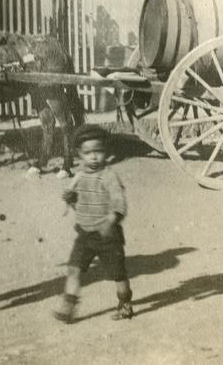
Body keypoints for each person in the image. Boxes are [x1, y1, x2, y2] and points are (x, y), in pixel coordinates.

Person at [54, 124, 133, 323]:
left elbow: (119, 202)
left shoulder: (109, 176)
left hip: (108, 235)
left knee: (118, 275)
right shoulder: (79, 176)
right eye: (88, 153)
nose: (94, 157)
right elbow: (77, 202)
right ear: (79, 154)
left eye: (98, 151)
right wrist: (70, 198)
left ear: (105, 152)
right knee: (74, 269)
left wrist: (111, 220)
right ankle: (69, 306)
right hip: (86, 234)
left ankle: (125, 303)